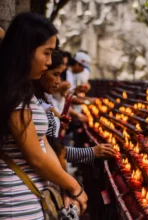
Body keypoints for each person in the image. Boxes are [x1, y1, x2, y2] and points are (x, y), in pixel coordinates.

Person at [0, 12, 87, 219]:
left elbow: (43, 144)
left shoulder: (24, 91)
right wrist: (75, 187)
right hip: (15, 205)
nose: (49, 62)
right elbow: (36, 157)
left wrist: (63, 184)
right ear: (26, 51)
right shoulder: (11, 92)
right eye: (46, 53)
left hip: (32, 199)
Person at [33, 50, 115, 166]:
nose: (58, 81)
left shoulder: (42, 100)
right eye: (55, 74)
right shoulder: (31, 105)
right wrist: (92, 152)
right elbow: (50, 150)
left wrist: (58, 120)